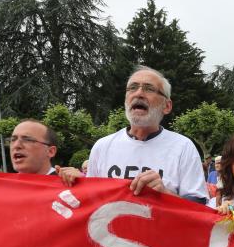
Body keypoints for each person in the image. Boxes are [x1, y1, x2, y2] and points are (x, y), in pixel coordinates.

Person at [86, 65, 208, 203]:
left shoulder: (183, 147)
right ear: (126, 99)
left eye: (149, 89)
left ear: (167, 106)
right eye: (133, 87)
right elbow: (90, 199)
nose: (139, 93)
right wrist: (73, 182)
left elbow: (199, 208)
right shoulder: (102, 146)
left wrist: (165, 194)